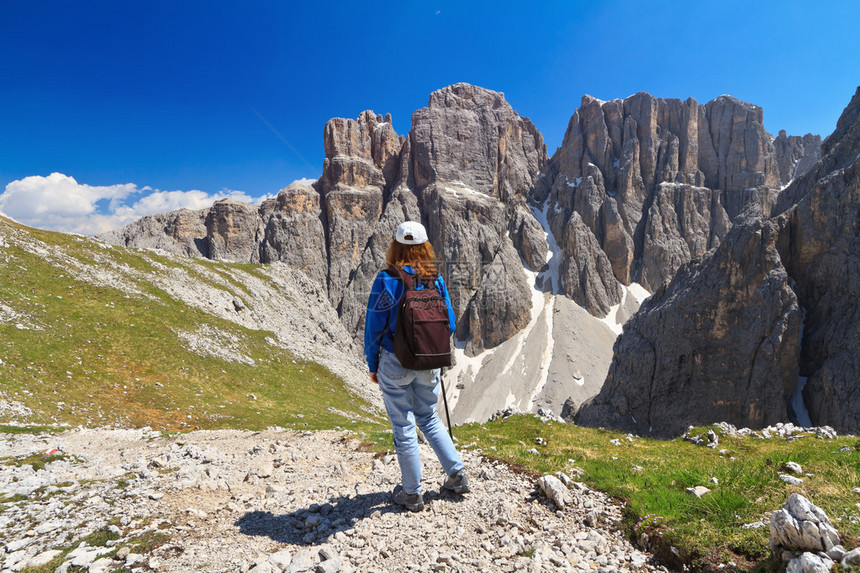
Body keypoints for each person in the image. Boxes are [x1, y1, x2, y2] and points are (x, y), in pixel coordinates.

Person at [364, 221, 469, 512]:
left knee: (403, 426)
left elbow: (373, 328)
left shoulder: (387, 279)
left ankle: (411, 493)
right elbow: (448, 319)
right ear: (425, 248)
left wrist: (373, 364)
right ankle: (457, 475)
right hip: (429, 361)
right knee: (429, 418)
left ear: (395, 247)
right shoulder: (435, 279)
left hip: (394, 361)